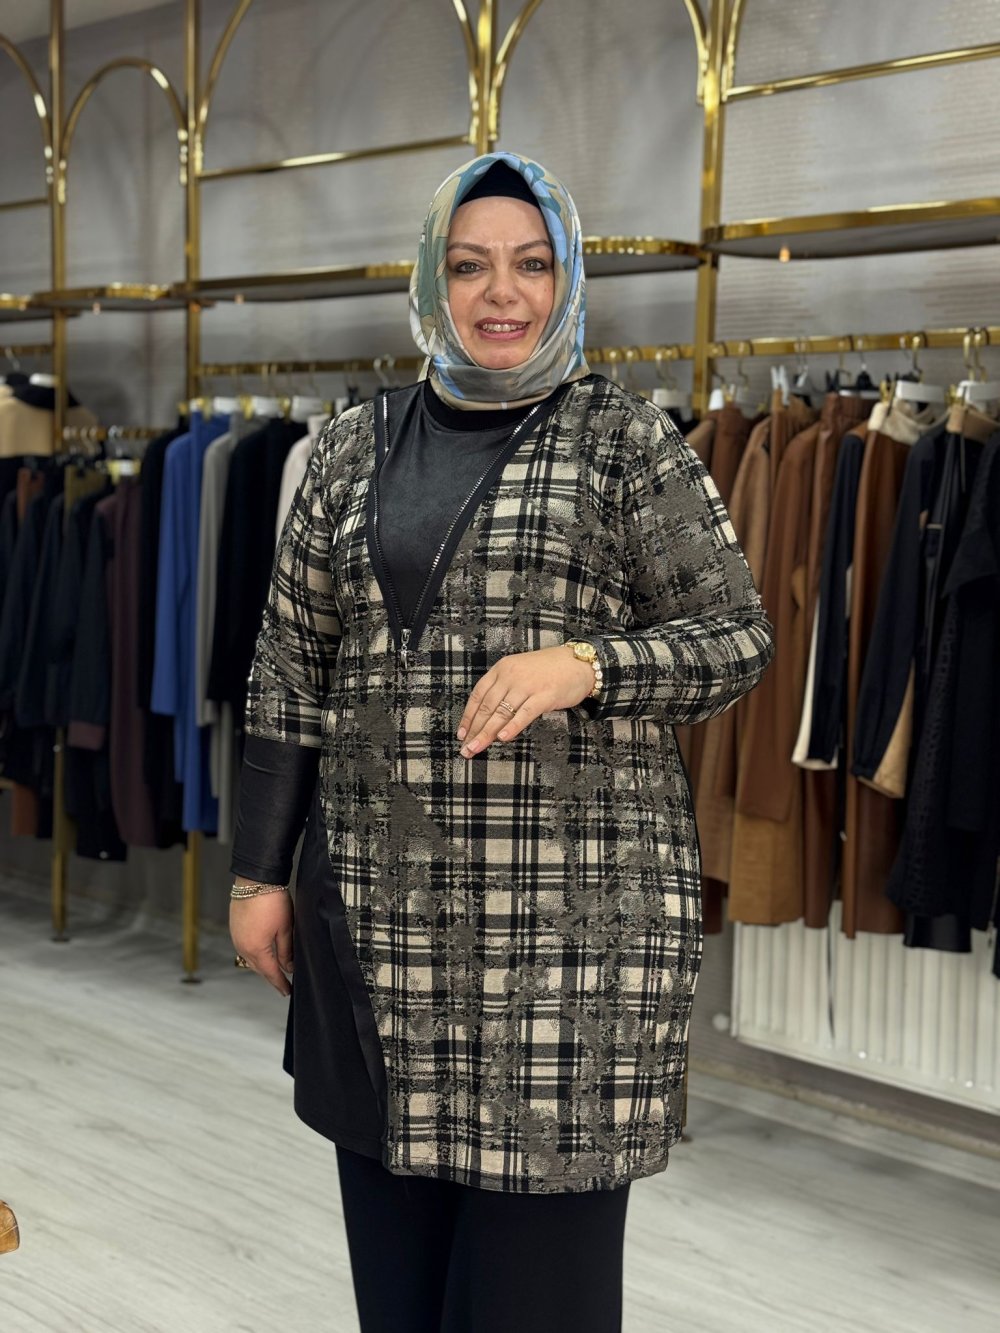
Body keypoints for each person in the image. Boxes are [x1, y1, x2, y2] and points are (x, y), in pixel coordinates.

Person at [229, 151, 774, 1333]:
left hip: (574, 942)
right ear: (433, 279)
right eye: (470, 266)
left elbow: (737, 639)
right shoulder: (350, 448)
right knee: (400, 1286)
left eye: (531, 264)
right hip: (383, 928)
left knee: (537, 1296)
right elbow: (289, 668)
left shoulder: (625, 441)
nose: (501, 293)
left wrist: (586, 665)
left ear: (566, 278)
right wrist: (257, 873)